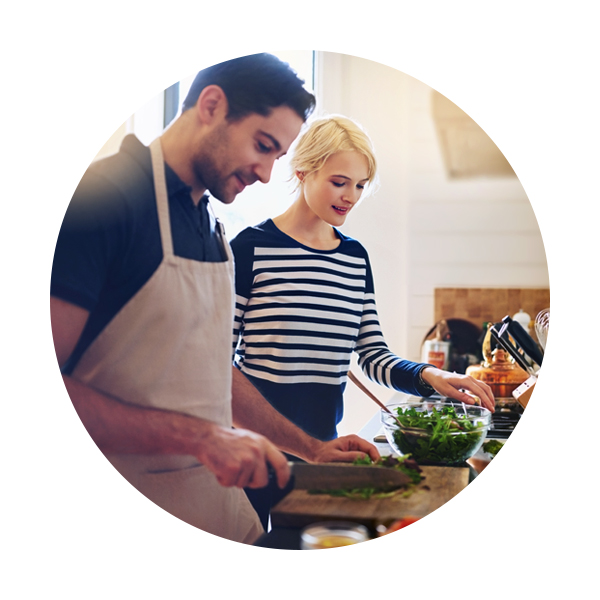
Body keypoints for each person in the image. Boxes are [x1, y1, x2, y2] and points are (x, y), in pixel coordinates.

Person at [50, 55, 380, 546]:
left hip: (207, 501)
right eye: (263, 147)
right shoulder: (104, 199)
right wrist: (203, 438)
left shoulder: (210, 226)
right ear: (211, 105)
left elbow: (211, 371)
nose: (268, 174)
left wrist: (312, 449)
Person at [230, 115, 495, 524]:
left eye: (360, 185)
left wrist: (430, 377)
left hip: (324, 454)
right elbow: (216, 365)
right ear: (302, 171)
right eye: (339, 182)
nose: (350, 196)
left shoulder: (354, 259)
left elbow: (372, 354)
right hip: (255, 455)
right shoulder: (250, 249)